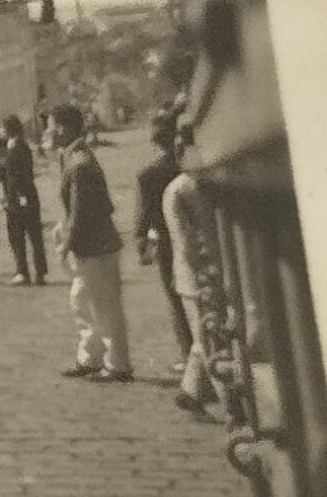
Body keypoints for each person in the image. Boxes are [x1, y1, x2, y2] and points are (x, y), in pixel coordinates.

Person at [53, 103, 133, 382]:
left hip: (95, 246)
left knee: (104, 305)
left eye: (52, 125)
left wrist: (67, 242)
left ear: (62, 127)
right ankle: (91, 356)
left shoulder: (79, 163)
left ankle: (118, 364)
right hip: (93, 245)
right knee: (82, 300)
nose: (50, 130)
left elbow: (80, 210)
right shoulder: (76, 156)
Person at [163, 130, 221, 413]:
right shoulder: (181, 189)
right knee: (205, 337)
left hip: (200, 272)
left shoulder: (196, 185)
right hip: (195, 274)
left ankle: (191, 391)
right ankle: (218, 399)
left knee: (206, 336)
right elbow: (184, 240)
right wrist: (203, 271)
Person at [135, 107, 191, 372]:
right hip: (195, 236)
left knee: (176, 297)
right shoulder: (190, 162)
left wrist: (140, 242)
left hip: (168, 241)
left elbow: (143, 215)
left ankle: (189, 354)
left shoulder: (148, 174)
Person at [0, 115, 48, 286]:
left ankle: (23, 272)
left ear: (8, 130)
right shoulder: (19, 145)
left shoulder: (17, 147)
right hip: (25, 196)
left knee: (18, 235)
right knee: (33, 235)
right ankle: (38, 272)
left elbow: (19, 176)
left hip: (21, 197)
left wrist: (19, 198)